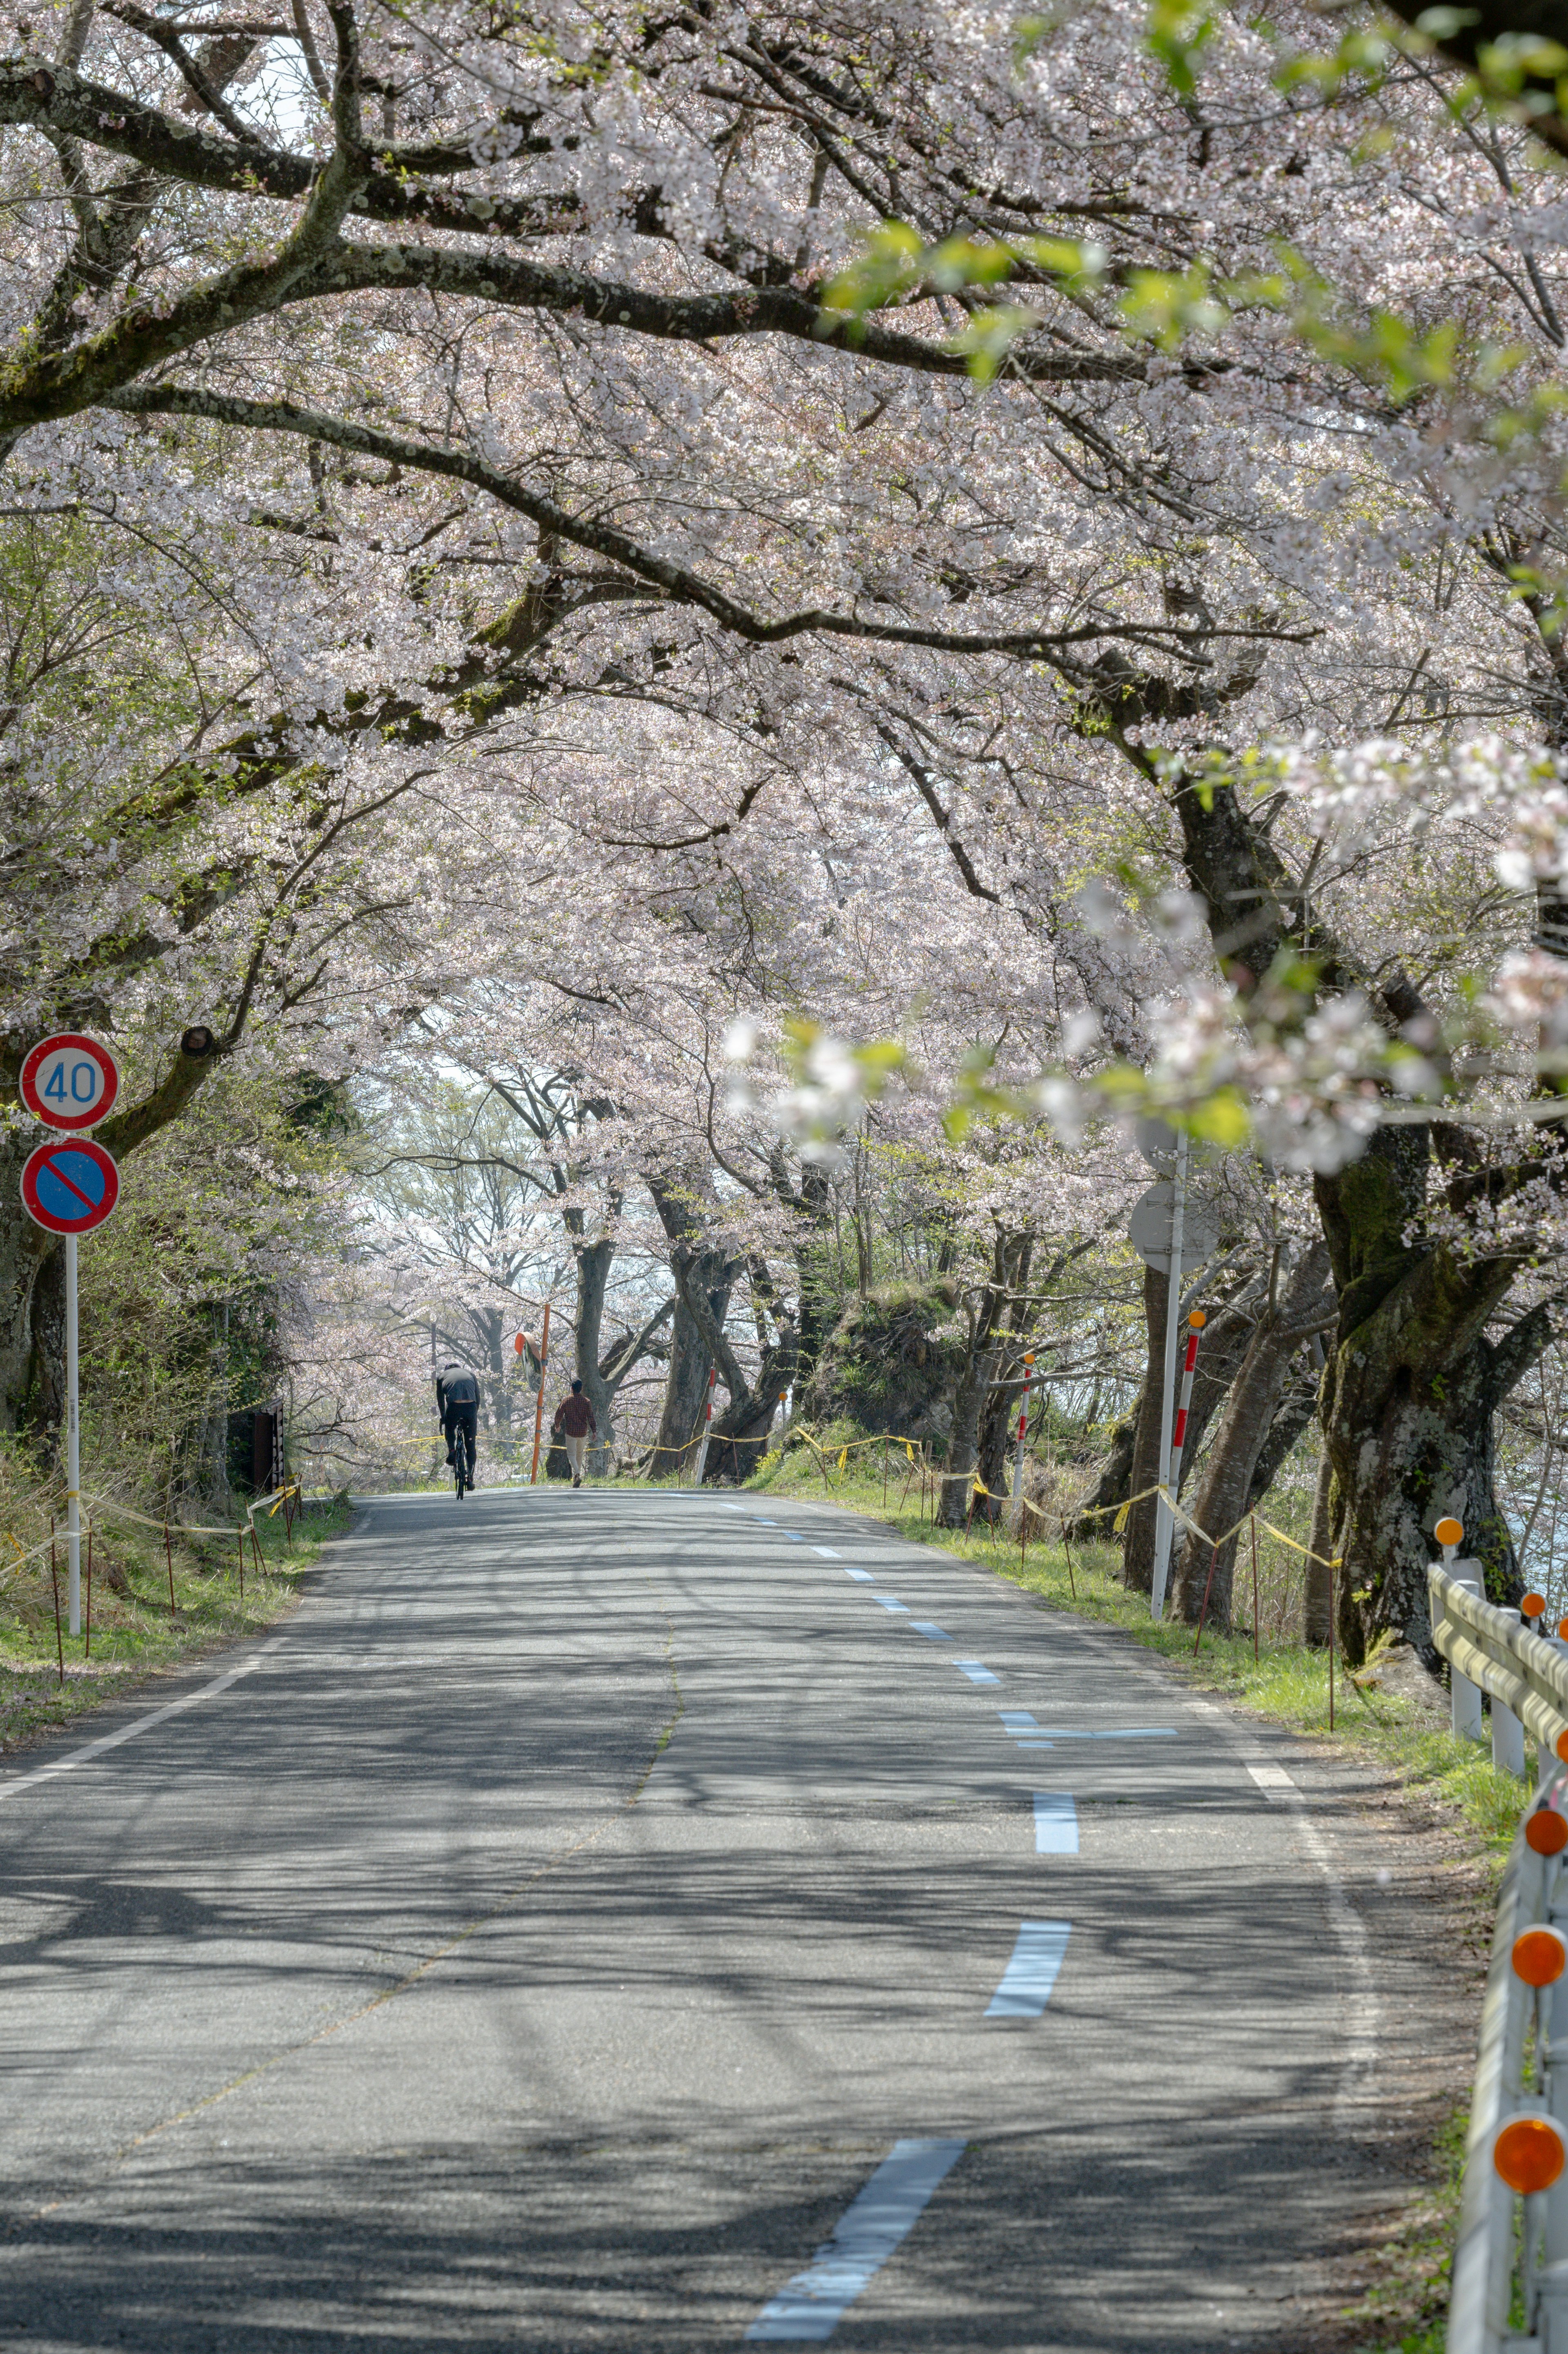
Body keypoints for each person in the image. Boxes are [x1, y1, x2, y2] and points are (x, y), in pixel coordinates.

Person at [435, 1360, 480, 1487]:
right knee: (471, 1445)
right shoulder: (470, 1374)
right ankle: (470, 1478)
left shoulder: (442, 1377)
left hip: (454, 1407)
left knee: (450, 1429)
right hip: (471, 1407)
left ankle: (452, 1451)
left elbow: (441, 1400)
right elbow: (478, 1397)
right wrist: (473, 1415)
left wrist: (443, 1416)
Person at [555, 1379, 597, 1487]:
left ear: (572, 1388)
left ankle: (577, 1473)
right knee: (579, 1455)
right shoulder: (587, 1402)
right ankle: (576, 1477)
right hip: (583, 1432)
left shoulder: (567, 1400)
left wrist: (557, 1425)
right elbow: (591, 1417)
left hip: (571, 1432)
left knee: (571, 1455)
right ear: (581, 1389)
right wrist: (594, 1431)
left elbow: (559, 1414)